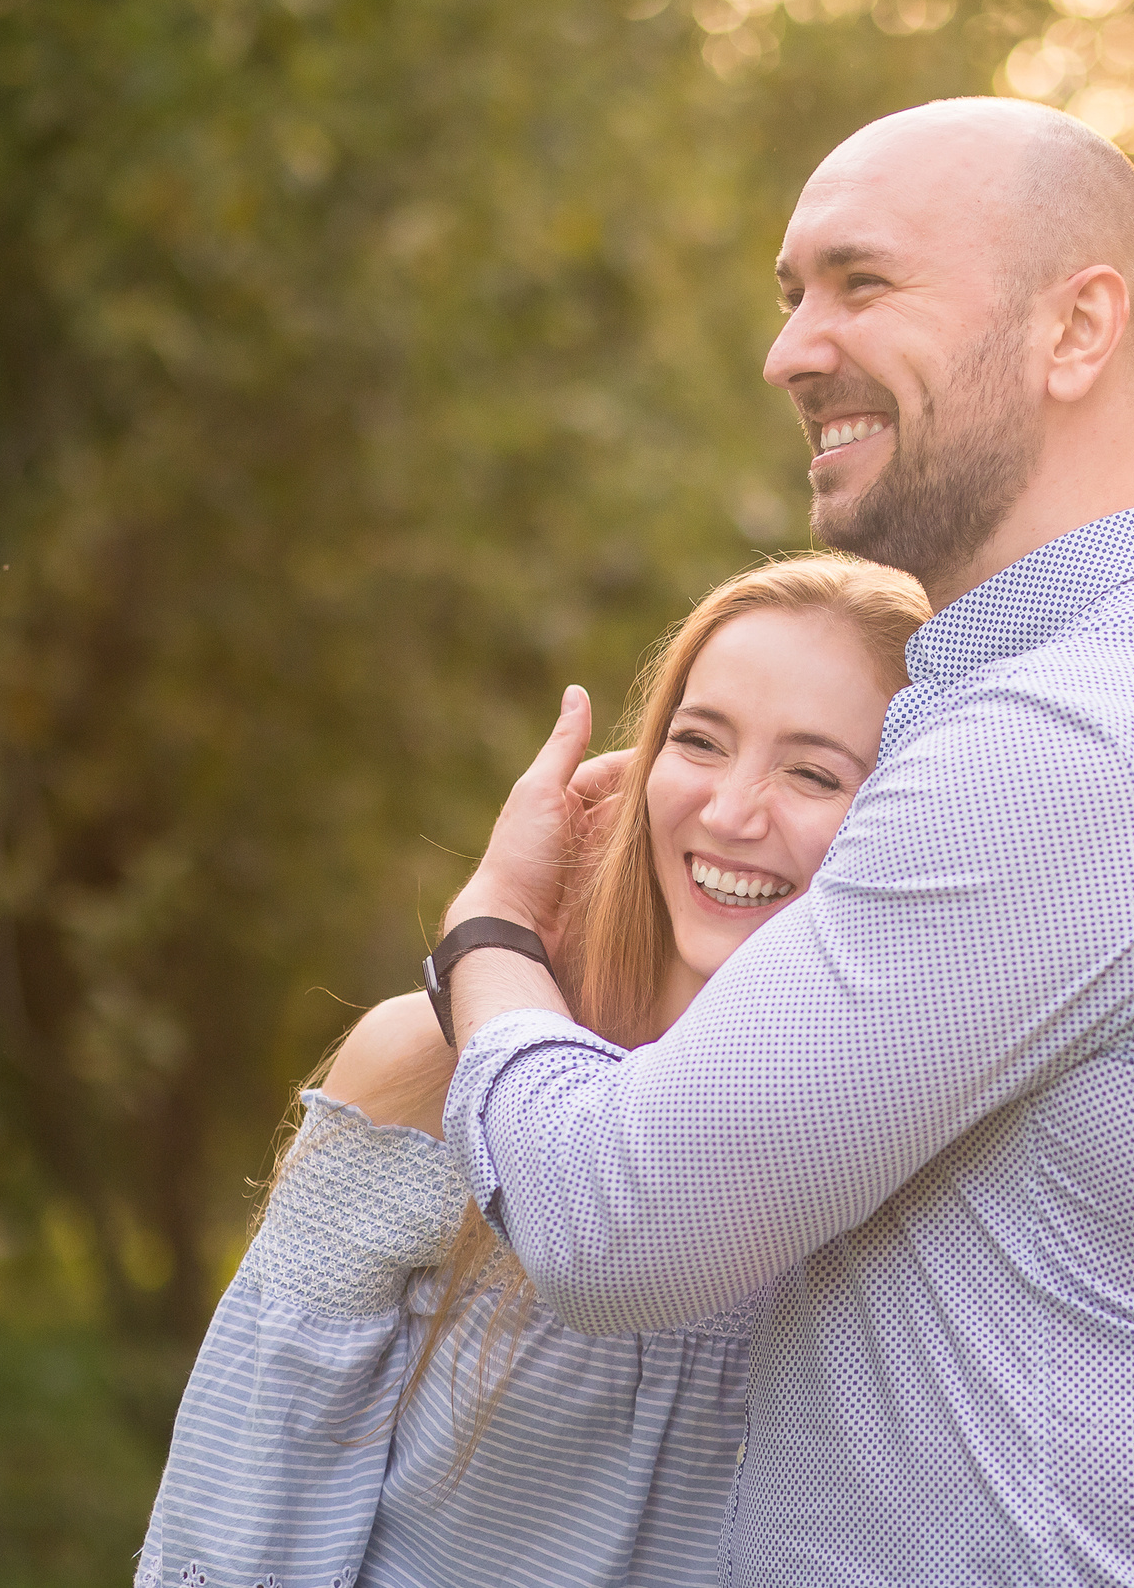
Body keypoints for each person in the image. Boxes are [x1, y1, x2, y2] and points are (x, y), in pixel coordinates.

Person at [432, 97, 1134, 1586]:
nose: (792, 351)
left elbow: (615, 1222)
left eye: (861, 283)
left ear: (1076, 330)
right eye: (790, 294)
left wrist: (492, 936)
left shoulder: (1077, 745)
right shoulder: (1115, 699)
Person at [135, 556, 932, 1588]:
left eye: (814, 772)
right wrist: (495, 932)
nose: (732, 812)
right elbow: (233, 1532)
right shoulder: (426, 1072)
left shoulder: (913, 1140)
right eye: (697, 742)